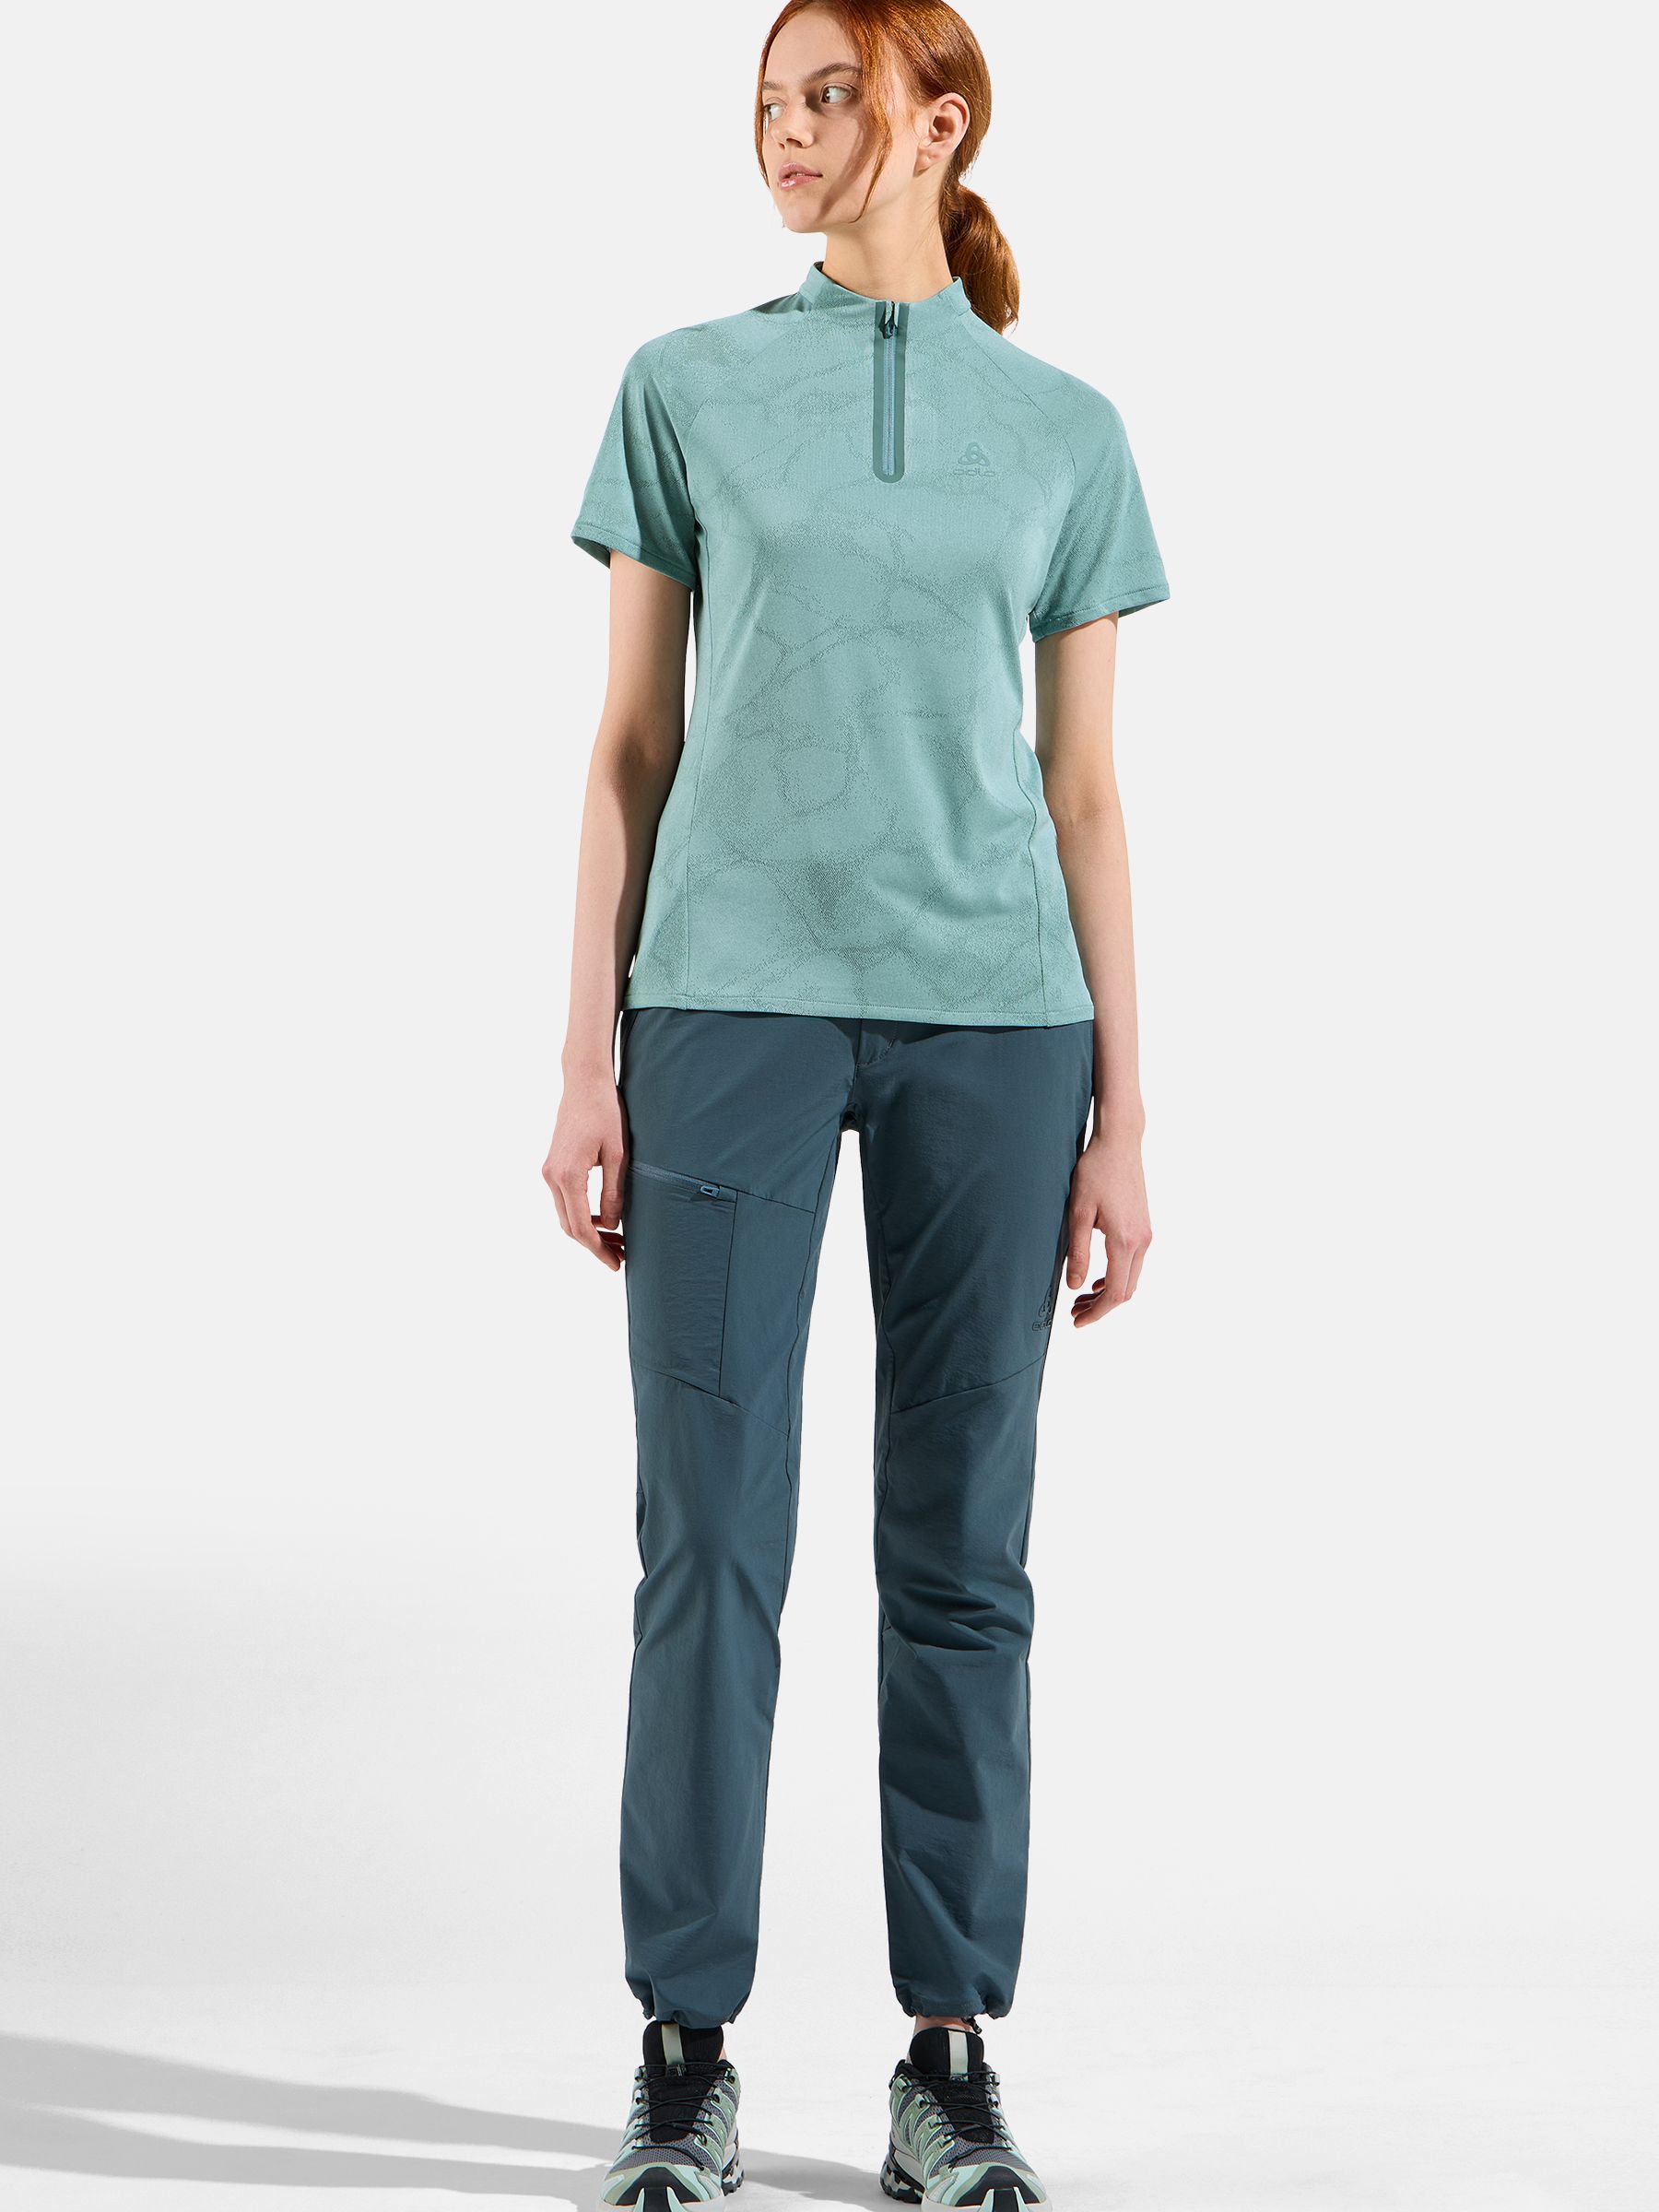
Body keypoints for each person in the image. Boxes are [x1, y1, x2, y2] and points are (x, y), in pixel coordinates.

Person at [543, 2, 1169, 2204]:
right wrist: (587, 1052)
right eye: (767, 103)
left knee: (963, 1551)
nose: (788, 133)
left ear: (938, 119)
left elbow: (1084, 794)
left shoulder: (1067, 432)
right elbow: (630, 747)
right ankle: (683, 2052)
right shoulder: (684, 389)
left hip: (997, 1025)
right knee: (708, 1537)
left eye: (830, 95)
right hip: (725, 1003)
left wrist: (1125, 1114)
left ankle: (945, 2061)